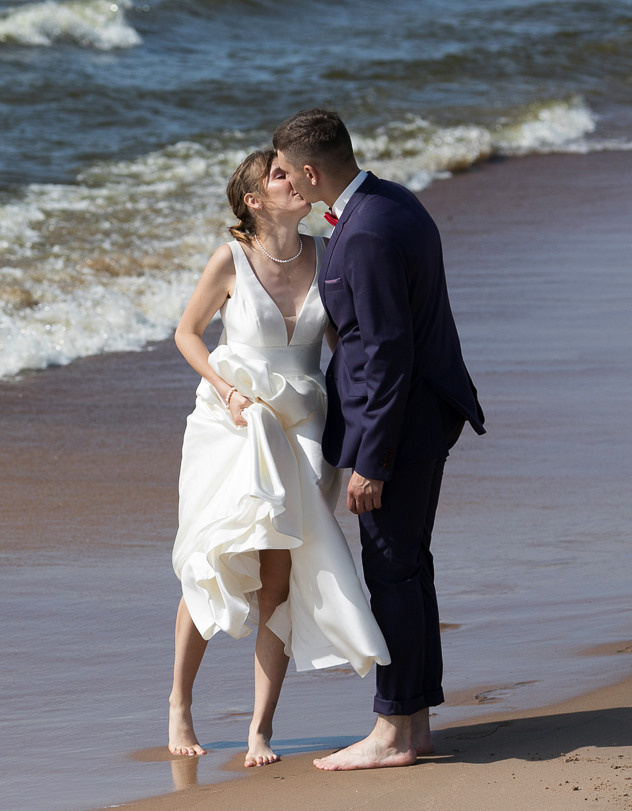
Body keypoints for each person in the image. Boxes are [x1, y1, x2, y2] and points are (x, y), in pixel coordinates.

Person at [272, 109, 485, 770]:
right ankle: (412, 719)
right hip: (424, 415)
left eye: (285, 169)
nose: (280, 179)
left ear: (311, 172)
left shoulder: (363, 233)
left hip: (399, 428)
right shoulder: (395, 201)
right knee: (407, 565)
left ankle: (394, 730)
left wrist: (372, 460)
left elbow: (387, 355)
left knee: (392, 567)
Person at [167, 148, 390, 767]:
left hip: (306, 430)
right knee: (212, 558)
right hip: (234, 424)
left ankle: (260, 728)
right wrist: (227, 389)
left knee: (278, 578)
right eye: (277, 175)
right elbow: (187, 333)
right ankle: (180, 702)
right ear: (254, 200)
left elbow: (345, 345)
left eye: (291, 171)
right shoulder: (229, 259)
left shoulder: (327, 254)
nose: (293, 180)